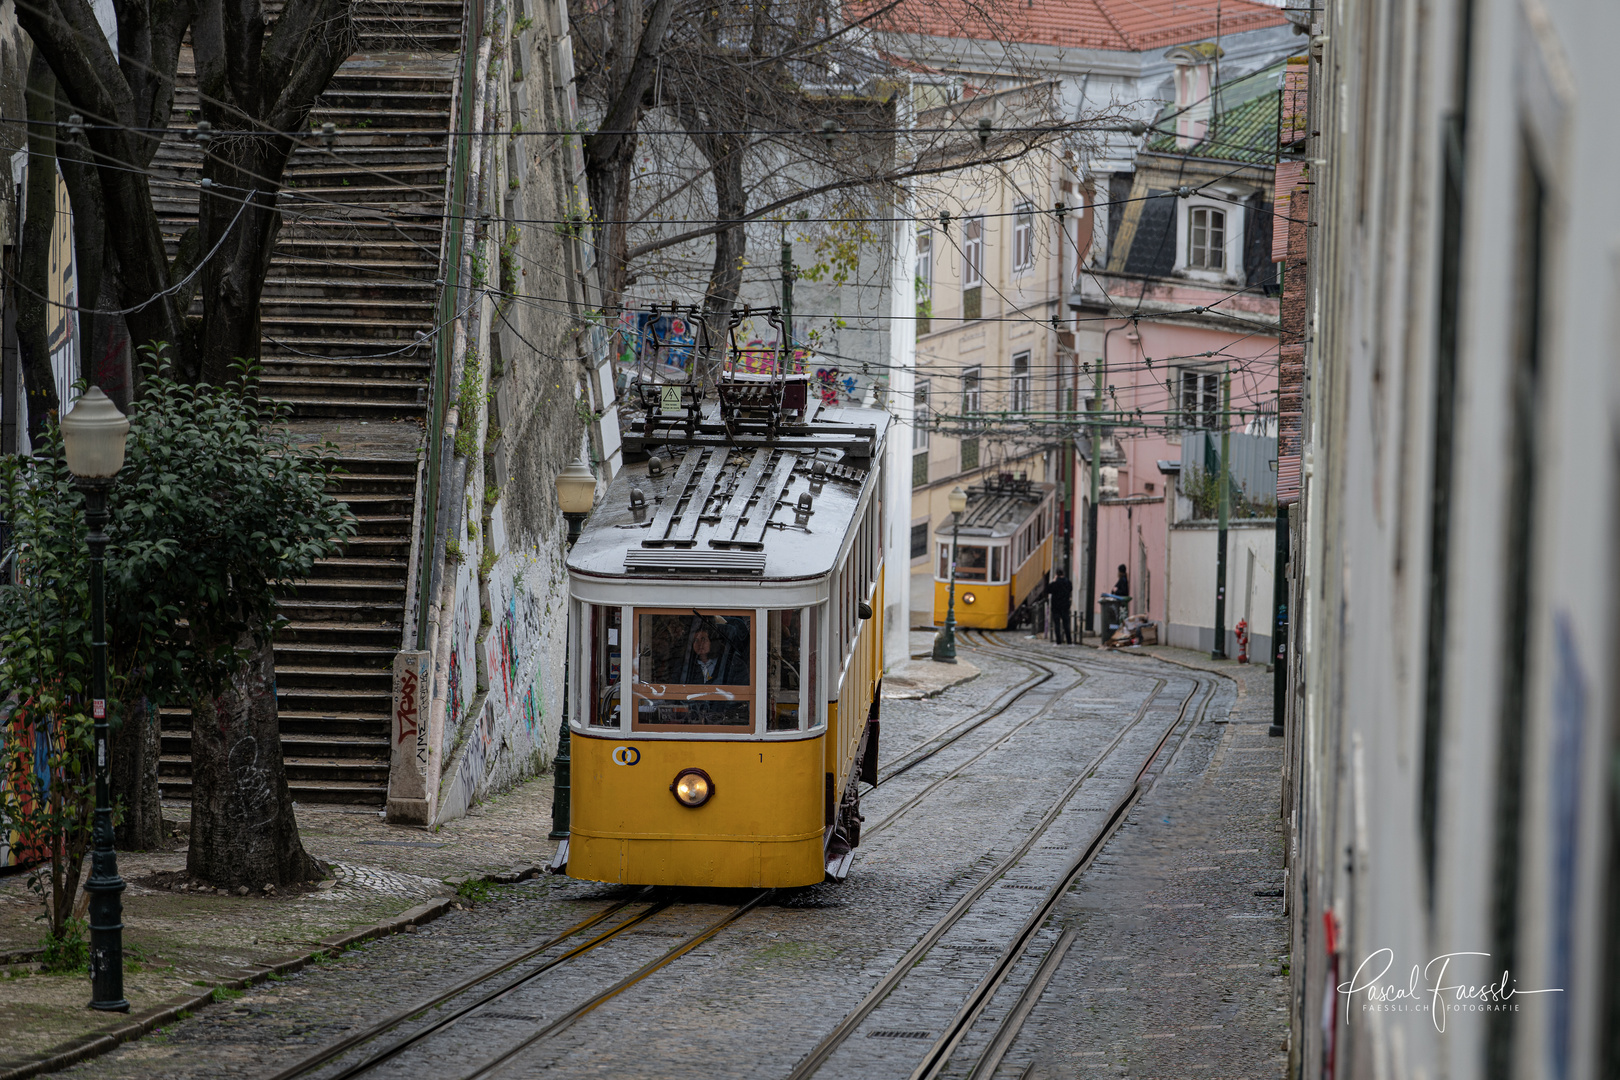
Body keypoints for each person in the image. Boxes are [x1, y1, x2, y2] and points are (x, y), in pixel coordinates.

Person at [681, 620, 747, 685]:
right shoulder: (684, 665)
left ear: (712, 641)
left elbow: (742, 690)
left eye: (703, 639)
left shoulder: (733, 664)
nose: (700, 644)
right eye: (696, 640)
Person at [1048, 569, 1072, 644]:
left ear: (1056, 574)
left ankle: (1058, 641)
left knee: (1057, 624)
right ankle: (1069, 641)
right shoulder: (1068, 582)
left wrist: (1054, 581)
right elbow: (1070, 589)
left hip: (1056, 606)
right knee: (1066, 624)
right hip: (1065, 606)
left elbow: (1048, 589)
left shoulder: (1055, 583)